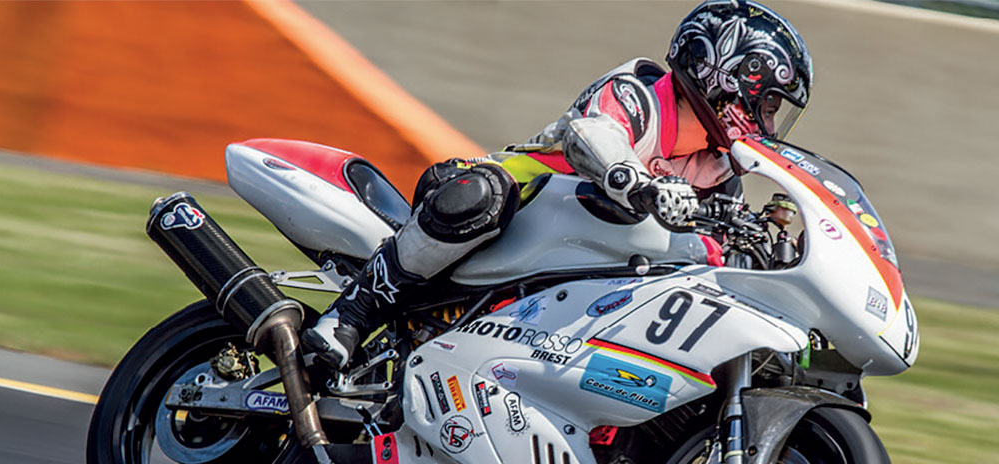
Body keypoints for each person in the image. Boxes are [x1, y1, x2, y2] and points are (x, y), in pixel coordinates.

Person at [301, 0, 813, 370]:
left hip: (581, 277)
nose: (767, 123)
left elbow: (718, 246)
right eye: (765, 104)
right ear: (721, 73)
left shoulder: (719, 167)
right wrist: (638, 182)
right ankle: (353, 312)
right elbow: (593, 136)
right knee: (480, 198)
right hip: (513, 205)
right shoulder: (640, 93)